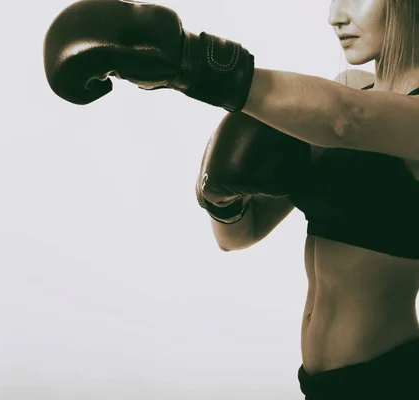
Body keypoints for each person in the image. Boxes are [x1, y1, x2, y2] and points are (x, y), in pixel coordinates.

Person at [43, 0, 419, 398]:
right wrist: (223, 201)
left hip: (388, 380)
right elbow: (239, 236)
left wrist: (189, 61)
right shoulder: (348, 89)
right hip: (320, 384)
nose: (335, 16)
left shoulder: (355, 110)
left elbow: (348, 120)